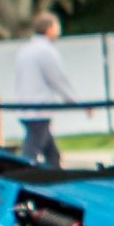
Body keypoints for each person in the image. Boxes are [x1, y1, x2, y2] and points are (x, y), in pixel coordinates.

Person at [9, 12, 75, 168]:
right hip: (39, 108)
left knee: (52, 154)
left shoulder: (25, 50)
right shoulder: (46, 52)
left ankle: (55, 175)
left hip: (26, 106)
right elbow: (57, 80)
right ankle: (23, 176)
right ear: (50, 28)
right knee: (31, 152)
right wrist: (74, 101)